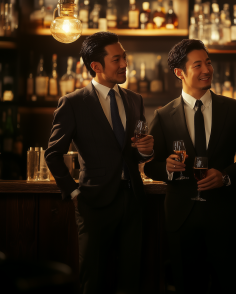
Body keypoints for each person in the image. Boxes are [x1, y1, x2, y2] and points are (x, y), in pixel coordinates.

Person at [45, 32, 154, 294]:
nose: (125, 64)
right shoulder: (73, 103)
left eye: (124, 57)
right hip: (93, 202)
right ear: (96, 66)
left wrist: (146, 151)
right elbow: (52, 154)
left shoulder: (134, 99)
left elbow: (135, 152)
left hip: (133, 199)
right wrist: (72, 192)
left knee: (131, 279)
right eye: (117, 59)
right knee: (92, 279)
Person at [144, 39, 236, 294]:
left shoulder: (235, 109)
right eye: (198, 65)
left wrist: (225, 177)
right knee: (188, 286)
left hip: (225, 216)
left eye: (208, 63)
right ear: (179, 72)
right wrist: (167, 167)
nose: (207, 69)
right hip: (182, 218)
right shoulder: (163, 115)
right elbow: (150, 167)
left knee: (231, 285)